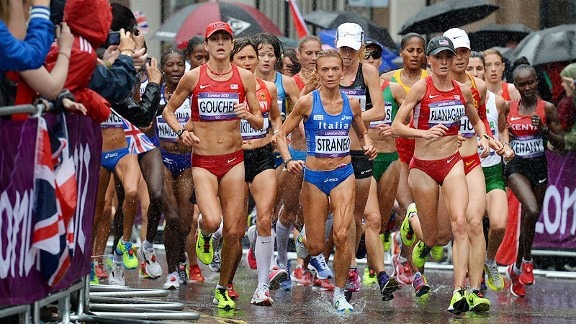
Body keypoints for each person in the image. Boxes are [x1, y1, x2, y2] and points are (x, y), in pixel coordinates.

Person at [162, 21, 263, 310]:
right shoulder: (193, 77)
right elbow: (169, 111)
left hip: (233, 160)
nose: (220, 43)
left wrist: (248, 114)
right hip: (203, 162)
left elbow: (259, 119)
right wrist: (182, 132)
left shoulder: (245, 78)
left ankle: (222, 286)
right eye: (214, 39)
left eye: (225, 39)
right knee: (212, 221)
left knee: (234, 231)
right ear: (206, 46)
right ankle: (205, 235)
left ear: (232, 45)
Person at [391, 36, 494, 315]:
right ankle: (412, 219)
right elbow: (397, 126)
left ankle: (459, 291)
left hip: (452, 163)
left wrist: (484, 137)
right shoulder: (420, 88)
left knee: (460, 224)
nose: (445, 62)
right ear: (430, 61)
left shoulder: (463, 90)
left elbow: (476, 120)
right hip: (422, 167)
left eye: (448, 56)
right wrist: (423, 133)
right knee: (435, 238)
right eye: (439, 57)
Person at [276, 49, 376, 313]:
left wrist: (368, 145)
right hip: (315, 177)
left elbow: (363, 133)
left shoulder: (352, 104)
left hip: (344, 174)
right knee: (317, 245)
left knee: (343, 235)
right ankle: (304, 240)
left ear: (342, 72)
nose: (331, 74)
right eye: (325, 70)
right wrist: (288, 160)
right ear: (317, 73)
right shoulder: (307, 102)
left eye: (335, 69)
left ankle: (340, 293)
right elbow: (280, 134)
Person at [331, 22, 395, 299]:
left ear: (360, 47)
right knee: (342, 225)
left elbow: (379, 110)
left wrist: (348, 116)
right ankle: (338, 270)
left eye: (351, 48)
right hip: (330, 156)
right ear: (336, 45)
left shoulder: (367, 72)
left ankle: (371, 275)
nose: (347, 54)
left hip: (359, 151)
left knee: (366, 217)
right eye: (343, 48)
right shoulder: (327, 71)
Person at [444, 28, 504, 312]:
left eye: (464, 52)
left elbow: (482, 123)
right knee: (441, 233)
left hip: (471, 162)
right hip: (441, 164)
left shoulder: (477, 87)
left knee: (474, 224)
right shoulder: (429, 85)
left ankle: (472, 290)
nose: (459, 57)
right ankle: (415, 223)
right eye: (454, 52)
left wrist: (489, 141)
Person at [230, 37, 285, 305]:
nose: (249, 63)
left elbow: (275, 116)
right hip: (235, 157)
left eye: (252, 58)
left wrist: (276, 132)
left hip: (263, 156)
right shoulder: (224, 90)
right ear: (232, 61)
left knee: (265, 219)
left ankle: (262, 287)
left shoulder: (269, 88)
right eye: (242, 58)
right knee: (234, 226)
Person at [505, 63, 564, 298]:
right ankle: (528, 259)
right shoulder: (508, 109)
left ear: (536, 82)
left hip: (539, 167)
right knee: (531, 208)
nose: (528, 87)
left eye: (531, 82)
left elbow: (561, 145)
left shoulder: (547, 108)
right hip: (516, 168)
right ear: (516, 86)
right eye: (522, 84)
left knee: (530, 220)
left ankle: (516, 269)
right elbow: (498, 134)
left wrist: (545, 132)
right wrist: (505, 135)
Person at [382, 32, 428, 291]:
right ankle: (415, 272)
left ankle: (405, 254)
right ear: (401, 52)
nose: (414, 54)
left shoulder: (432, 81)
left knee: (422, 213)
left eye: (419, 50)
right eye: (410, 50)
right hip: (398, 151)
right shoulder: (388, 80)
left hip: (425, 152)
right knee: (407, 209)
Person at [467, 51, 514, 293]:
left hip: (493, 170)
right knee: (470, 227)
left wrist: (505, 145)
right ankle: (468, 282)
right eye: (470, 69)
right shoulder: (458, 100)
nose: (475, 74)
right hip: (466, 171)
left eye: (479, 69)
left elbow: (503, 129)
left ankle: (490, 260)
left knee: (498, 224)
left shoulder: (497, 102)